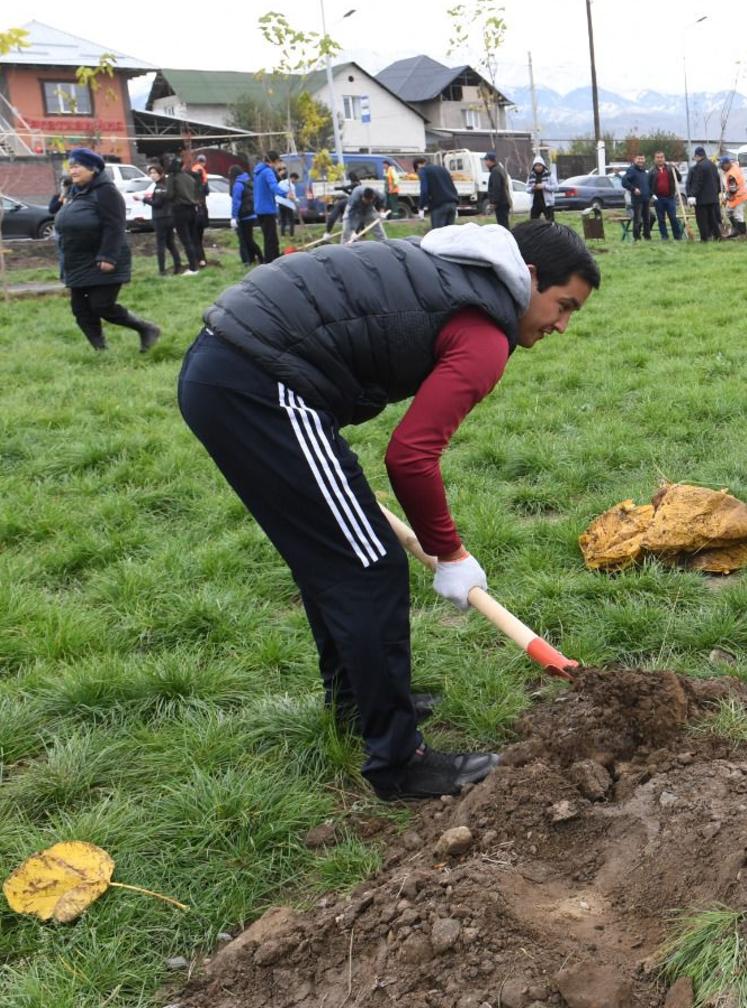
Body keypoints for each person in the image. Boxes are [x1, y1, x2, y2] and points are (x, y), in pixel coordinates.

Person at [179, 220, 600, 801]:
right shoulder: (485, 331)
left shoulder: (454, 273)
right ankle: (400, 763)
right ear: (527, 278)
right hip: (261, 383)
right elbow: (410, 456)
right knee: (368, 566)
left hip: (229, 369)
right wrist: (450, 552)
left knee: (337, 558)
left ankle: (360, 704)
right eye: (562, 306)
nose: (561, 325)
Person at [48, 148, 161, 353]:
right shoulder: (76, 191)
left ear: (92, 169)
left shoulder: (106, 191)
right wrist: (63, 193)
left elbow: (115, 226)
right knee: (80, 309)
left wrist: (108, 255)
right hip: (78, 259)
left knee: (102, 305)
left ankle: (146, 329)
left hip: (103, 258)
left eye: (77, 166)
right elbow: (53, 211)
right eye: (70, 166)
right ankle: (100, 350)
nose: (72, 170)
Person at [143, 164, 184, 276]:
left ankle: (162, 270)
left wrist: (146, 200)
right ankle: (178, 266)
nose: (152, 175)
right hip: (169, 217)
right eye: (151, 173)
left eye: (154, 173)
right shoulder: (166, 186)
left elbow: (157, 203)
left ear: (161, 174)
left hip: (160, 218)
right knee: (170, 243)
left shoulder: (159, 187)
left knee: (161, 244)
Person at [685, 146, 723, 242]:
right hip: (713, 198)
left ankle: (704, 238)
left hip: (702, 200)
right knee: (712, 219)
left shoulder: (699, 166)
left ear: (697, 156)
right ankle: (717, 236)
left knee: (702, 220)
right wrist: (717, 192)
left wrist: (692, 195)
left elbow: (698, 182)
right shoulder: (713, 165)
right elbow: (718, 181)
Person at [252, 152, 285, 263]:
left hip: (259, 209)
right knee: (272, 240)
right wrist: (286, 193)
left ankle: (272, 259)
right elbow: (273, 186)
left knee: (268, 238)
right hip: (267, 209)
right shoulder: (267, 171)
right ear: (273, 161)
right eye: (277, 162)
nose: (278, 164)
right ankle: (272, 261)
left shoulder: (257, 172)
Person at [229, 166, 262, 266]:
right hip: (252, 213)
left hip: (244, 215)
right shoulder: (248, 181)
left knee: (248, 239)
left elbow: (236, 202)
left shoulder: (238, 185)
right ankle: (252, 259)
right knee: (248, 238)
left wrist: (234, 217)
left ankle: (261, 257)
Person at [648, 151, 685, 240]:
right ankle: (664, 237)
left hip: (670, 197)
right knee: (661, 219)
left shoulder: (670, 168)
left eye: (661, 157)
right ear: (655, 159)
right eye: (658, 157)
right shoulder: (652, 171)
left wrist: (675, 168)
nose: (660, 159)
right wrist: (652, 195)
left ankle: (678, 236)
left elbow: (679, 178)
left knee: (673, 217)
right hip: (658, 198)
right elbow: (648, 185)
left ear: (664, 158)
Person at [416, 155, 458, 230]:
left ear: (418, 165)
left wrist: (421, 206)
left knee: (437, 235)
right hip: (453, 204)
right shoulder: (443, 169)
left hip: (439, 206)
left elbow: (424, 191)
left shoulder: (423, 170)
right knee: (449, 235)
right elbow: (452, 186)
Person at [621, 153, 652, 241]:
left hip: (646, 199)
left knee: (647, 219)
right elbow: (624, 182)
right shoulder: (631, 170)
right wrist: (633, 189)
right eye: (639, 159)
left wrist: (651, 194)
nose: (640, 161)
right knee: (637, 220)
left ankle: (647, 237)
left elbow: (647, 185)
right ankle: (637, 238)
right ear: (635, 160)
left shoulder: (644, 171)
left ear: (644, 160)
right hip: (637, 200)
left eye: (642, 159)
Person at [720, 154, 747, 237]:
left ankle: (742, 233)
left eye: (722, 166)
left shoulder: (731, 175)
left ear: (727, 164)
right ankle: (736, 229)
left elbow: (733, 190)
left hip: (739, 196)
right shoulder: (734, 166)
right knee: (728, 211)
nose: (722, 168)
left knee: (738, 215)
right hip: (737, 195)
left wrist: (726, 199)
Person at [484, 153, 512, 229]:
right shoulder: (499, 169)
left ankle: (506, 239)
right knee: (504, 223)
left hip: (501, 203)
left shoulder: (495, 171)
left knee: (503, 225)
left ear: (491, 161)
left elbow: (497, 187)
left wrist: (494, 202)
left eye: (486, 160)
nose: (485, 163)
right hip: (504, 201)